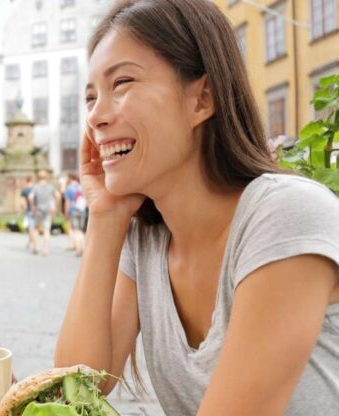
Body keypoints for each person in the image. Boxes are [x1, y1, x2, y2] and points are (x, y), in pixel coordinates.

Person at [54, 1, 339, 415]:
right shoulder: (148, 239)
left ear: (202, 98)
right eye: (91, 97)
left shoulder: (285, 215)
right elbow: (74, 388)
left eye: (122, 83)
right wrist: (104, 218)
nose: (95, 116)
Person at [30, 170, 60, 256]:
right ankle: (45, 250)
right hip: (48, 210)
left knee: (35, 228)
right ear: (46, 177)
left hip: (38, 210)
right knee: (47, 230)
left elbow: (30, 197)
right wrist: (55, 206)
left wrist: (32, 206)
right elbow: (58, 195)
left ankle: (36, 248)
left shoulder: (36, 187)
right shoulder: (50, 187)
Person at [63, 173, 86, 256]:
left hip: (73, 210)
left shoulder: (69, 188)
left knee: (76, 230)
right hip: (82, 210)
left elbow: (67, 202)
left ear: (70, 178)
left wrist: (66, 212)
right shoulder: (81, 186)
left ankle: (78, 249)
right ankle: (83, 247)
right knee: (81, 230)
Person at [20, 176, 37, 252]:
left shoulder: (25, 190)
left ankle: (32, 243)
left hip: (29, 210)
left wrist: (23, 209)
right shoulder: (36, 188)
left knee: (31, 228)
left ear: (26, 181)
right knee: (34, 228)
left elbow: (23, 203)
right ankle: (30, 242)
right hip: (38, 210)